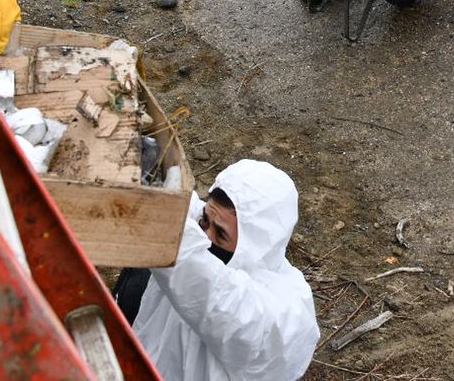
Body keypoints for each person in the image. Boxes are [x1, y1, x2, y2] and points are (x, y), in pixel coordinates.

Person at [133, 160, 319, 381]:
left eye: (220, 234)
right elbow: (183, 207)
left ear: (253, 245)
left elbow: (207, 287)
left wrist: (152, 206)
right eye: (205, 221)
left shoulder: (278, 313)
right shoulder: (219, 238)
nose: (205, 236)